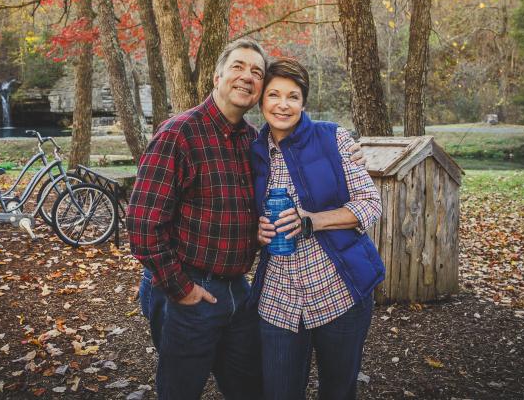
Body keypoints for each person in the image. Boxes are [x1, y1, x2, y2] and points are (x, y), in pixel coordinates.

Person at [126, 39, 270, 400]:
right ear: (217, 75)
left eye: (256, 72)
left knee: (250, 387)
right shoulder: (179, 133)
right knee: (181, 390)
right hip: (188, 288)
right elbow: (143, 223)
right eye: (238, 66)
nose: (247, 77)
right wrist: (180, 288)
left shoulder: (251, 140)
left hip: (239, 289)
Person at [251, 57, 384, 400]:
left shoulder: (332, 138)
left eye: (292, 96)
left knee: (338, 392)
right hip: (278, 298)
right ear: (261, 99)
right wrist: (257, 232)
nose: (283, 104)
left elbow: (371, 203)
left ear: (303, 102)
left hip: (338, 290)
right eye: (274, 95)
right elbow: (241, 211)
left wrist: (311, 220)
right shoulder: (250, 152)